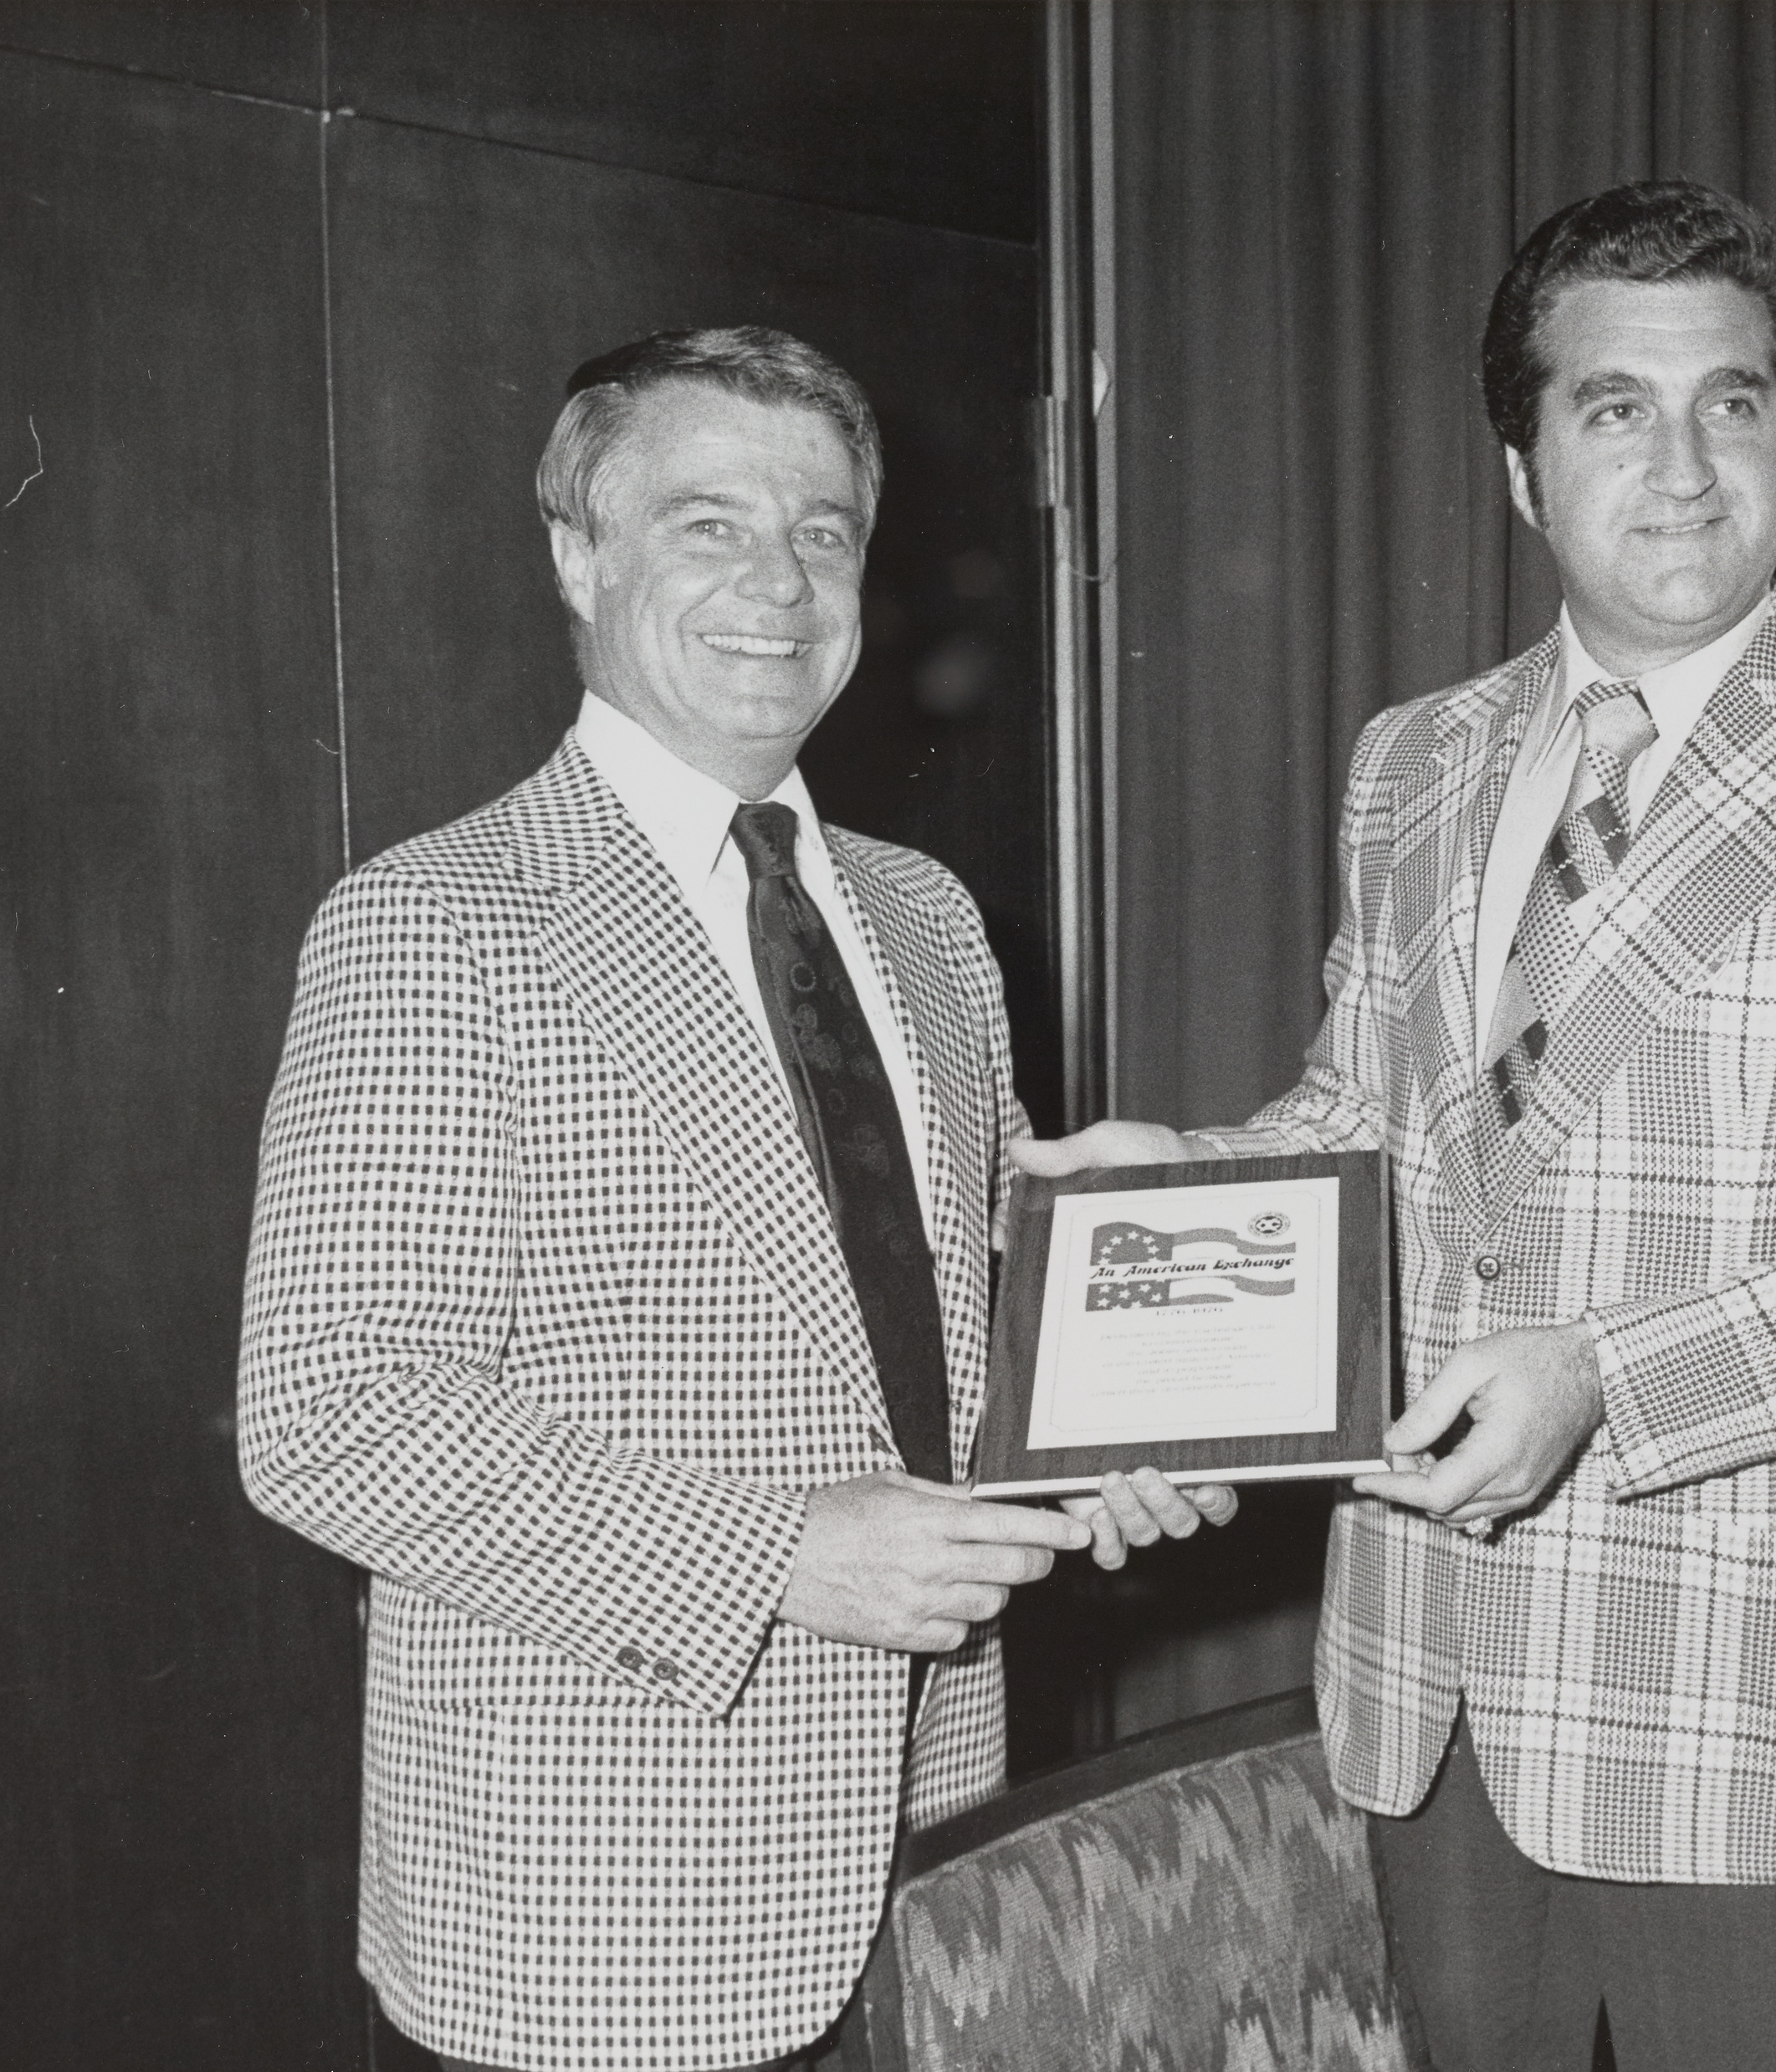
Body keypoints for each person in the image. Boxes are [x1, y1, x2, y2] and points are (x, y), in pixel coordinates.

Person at [1014, 181, 1776, 2070]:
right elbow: (1374, 1114)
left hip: (1758, 1695)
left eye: (1732, 404)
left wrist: (1605, 1377)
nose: (1681, 465)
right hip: (1433, 1670)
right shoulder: (1414, 760)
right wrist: (1192, 1182)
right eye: (1614, 408)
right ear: (1521, 471)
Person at [238, 326, 1229, 2072]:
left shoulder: (924, 917)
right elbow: (330, 1418)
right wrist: (779, 1555)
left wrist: (1103, 1430)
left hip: (934, 1851)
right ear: (578, 551)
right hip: (603, 1908)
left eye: (825, 532)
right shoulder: (436, 924)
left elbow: (934, 1319)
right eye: (707, 524)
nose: (779, 584)